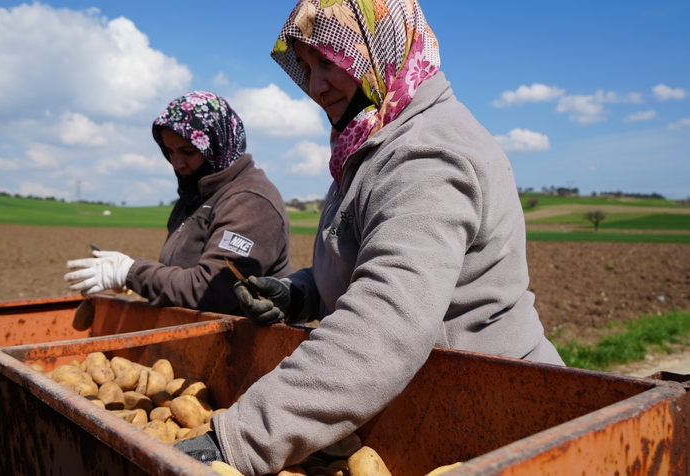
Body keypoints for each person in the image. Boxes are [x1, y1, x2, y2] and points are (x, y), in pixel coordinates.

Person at [174, 1, 565, 475]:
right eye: (307, 64)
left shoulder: (426, 155)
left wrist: (237, 442)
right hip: (430, 403)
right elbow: (369, 262)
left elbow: (386, 323)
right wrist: (302, 293)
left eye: (329, 60)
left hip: (497, 413)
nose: (315, 86)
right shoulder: (372, 143)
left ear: (378, 45)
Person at [64, 90, 293, 315]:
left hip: (245, 343)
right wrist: (135, 280)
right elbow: (180, 275)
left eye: (188, 151)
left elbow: (210, 291)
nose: (177, 163)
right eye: (170, 151)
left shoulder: (251, 200)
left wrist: (131, 273)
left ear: (217, 144)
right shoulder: (192, 197)